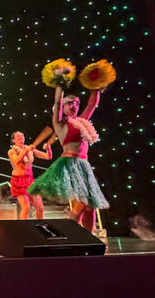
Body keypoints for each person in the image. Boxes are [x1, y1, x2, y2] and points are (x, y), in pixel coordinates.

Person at [27, 62, 111, 232]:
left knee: (90, 206)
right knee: (82, 202)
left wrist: (96, 87)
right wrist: (60, 82)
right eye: (70, 103)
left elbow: (92, 105)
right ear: (64, 108)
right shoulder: (60, 123)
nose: (74, 106)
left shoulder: (82, 122)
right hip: (69, 164)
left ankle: (88, 236)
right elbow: (57, 102)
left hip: (83, 165)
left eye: (76, 104)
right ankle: (72, 230)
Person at [8, 131, 53, 219]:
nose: (21, 138)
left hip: (30, 181)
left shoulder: (29, 150)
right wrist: (25, 150)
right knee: (26, 208)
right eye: (18, 137)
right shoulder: (12, 151)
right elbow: (16, 161)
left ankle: (40, 229)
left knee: (40, 208)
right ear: (13, 140)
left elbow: (48, 156)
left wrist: (48, 148)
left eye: (22, 136)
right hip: (18, 181)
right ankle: (23, 230)